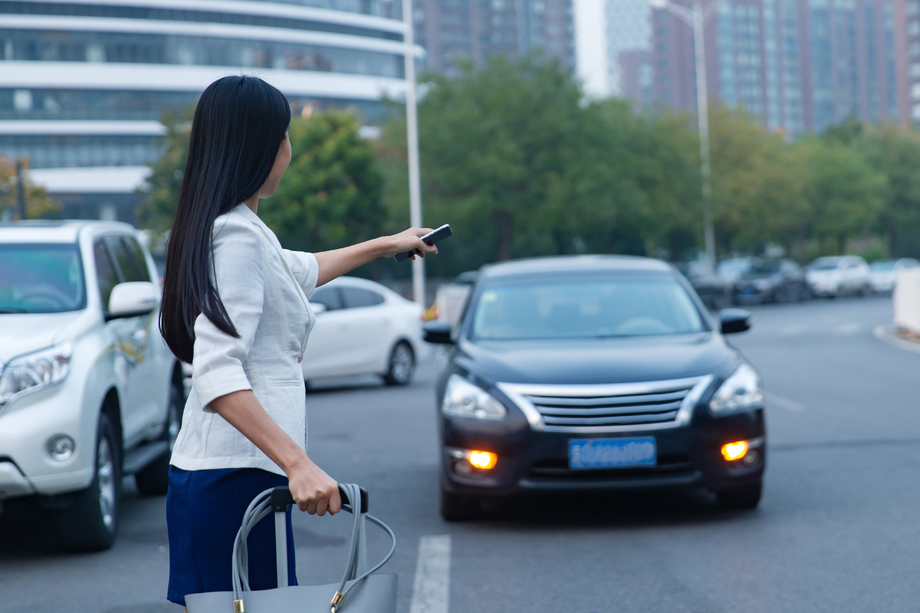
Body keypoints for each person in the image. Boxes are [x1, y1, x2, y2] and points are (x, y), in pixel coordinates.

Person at [159, 75, 436, 609]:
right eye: (285, 135)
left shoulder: (233, 228)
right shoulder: (236, 237)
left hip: (229, 474)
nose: (291, 148)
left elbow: (300, 270)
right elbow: (217, 371)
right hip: (237, 480)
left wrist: (388, 245)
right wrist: (299, 465)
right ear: (261, 146)